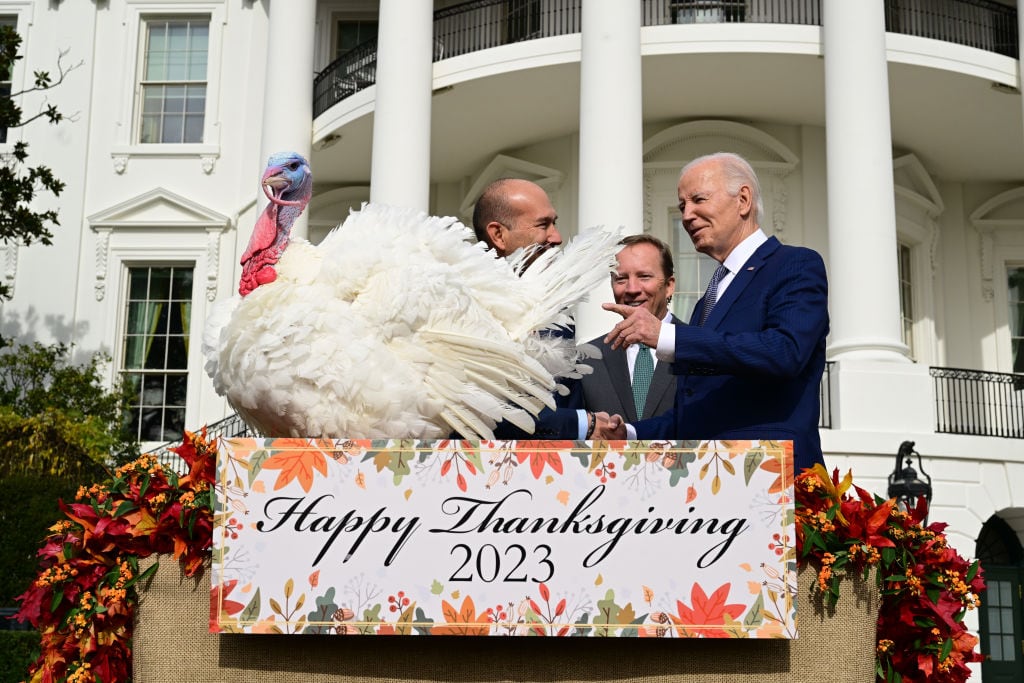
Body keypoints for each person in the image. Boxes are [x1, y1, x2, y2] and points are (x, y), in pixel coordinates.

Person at [595, 152, 829, 472]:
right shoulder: (710, 298)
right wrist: (631, 433)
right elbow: (695, 408)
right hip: (713, 485)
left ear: (743, 199)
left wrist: (667, 336)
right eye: (681, 207)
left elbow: (785, 351)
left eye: (698, 199)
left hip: (773, 476)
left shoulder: (794, 264)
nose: (687, 215)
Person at [471, 178, 605, 439]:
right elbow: (480, 412)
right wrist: (583, 425)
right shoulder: (462, 307)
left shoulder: (557, 307)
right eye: (543, 224)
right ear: (498, 234)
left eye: (554, 222)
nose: (557, 237)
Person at [564, 235, 680, 422]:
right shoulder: (585, 360)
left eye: (644, 276)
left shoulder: (700, 351)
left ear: (669, 286)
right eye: (621, 279)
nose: (632, 289)